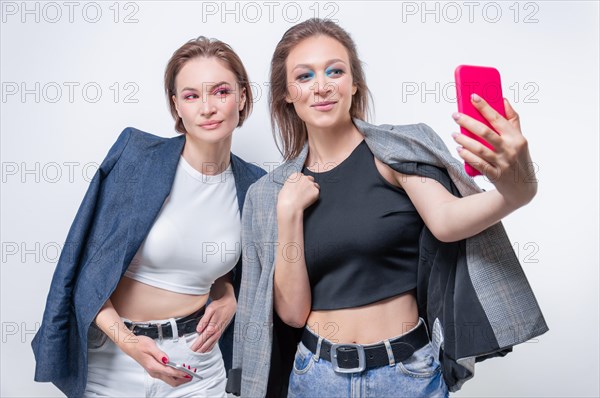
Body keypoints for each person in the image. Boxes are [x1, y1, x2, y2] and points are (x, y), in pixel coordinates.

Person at [229, 18, 548, 397]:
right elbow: (293, 313)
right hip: (315, 376)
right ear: (286, 92)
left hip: (407, 374)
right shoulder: (270, 194)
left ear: (354, 83)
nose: (322, 86)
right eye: (304, 76)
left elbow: (447, 221)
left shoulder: (397, 151)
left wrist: (515, 193)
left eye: (335, 71)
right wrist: (288, 213)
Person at [31, 37, 266, 397]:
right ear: (177, 106)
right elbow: (87, 274)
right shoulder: (136, 159)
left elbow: (227, 273)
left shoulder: (254, 186)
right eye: (191, 96)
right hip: (115, 361)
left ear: (243, 96)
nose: (207, 108)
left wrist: (230, 294)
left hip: (196, 365)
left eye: (220, 91)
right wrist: (129, 344)